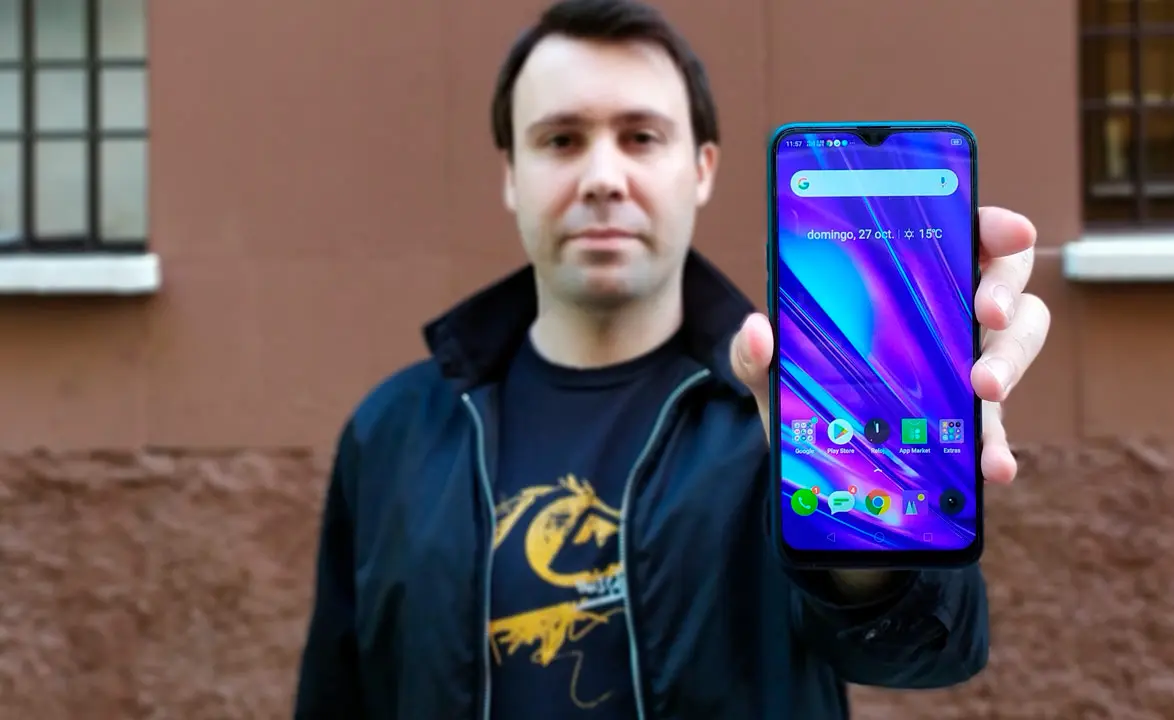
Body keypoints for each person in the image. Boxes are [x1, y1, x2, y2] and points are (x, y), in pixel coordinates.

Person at [292, 0, 1050, 717]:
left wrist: (874, 503)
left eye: (641, 137)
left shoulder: (784, 415)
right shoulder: (392, 432)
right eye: (560, 140)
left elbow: (920, 654)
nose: (602, 178)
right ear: (511, 176)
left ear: (703, 168)